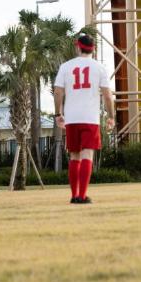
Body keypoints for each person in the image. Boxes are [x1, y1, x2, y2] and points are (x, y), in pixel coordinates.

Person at [53, 33, 115, 204]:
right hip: (90, 118)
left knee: (74, 156)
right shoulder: (99, 67)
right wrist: (111, 116)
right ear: (93, 49)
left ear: (78, 46)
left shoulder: (66, 66)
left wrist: (58, 114)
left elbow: (58, 91)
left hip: (72, 118)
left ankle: (74, 196)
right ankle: (83, 195)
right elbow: (108, 96)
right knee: (87, 154)